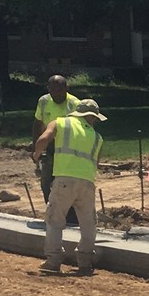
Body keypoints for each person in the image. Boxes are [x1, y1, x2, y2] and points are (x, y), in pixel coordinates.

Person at [33, 96, 106, 275]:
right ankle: (85, 261)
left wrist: (36, 154)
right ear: (92, 117)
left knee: (55, 220)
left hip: (64, 180)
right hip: (87, 182)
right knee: (88, 223)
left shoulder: (60, 123)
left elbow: (43, 140)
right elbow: (96, 161)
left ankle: (53, 260)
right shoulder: (97, 137)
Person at [29, 74, 82, 204]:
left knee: (66, 180)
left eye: (59, 91)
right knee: (46, 180)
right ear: (48, 89)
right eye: (52, 91)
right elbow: (38, 123)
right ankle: (51, 208)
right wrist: (36, 146)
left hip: (69, 146)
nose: (56, 94)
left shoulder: (74, 104)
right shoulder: (44, 101)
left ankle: (70, 210)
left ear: (66, 88)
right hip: (50, 144)